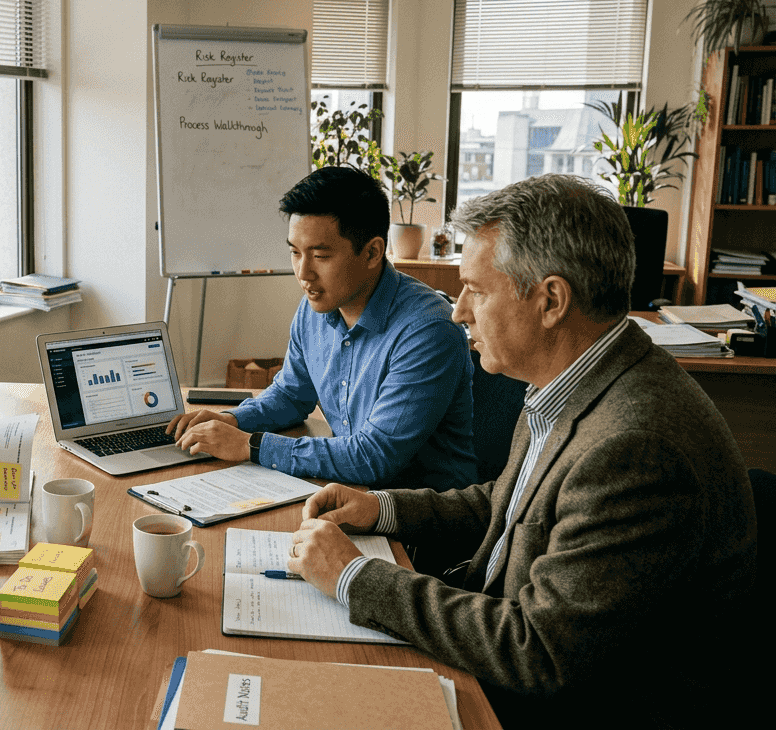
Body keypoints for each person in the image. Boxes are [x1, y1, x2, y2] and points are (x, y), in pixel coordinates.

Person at [287, 174, 757, 728]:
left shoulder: (636, 447)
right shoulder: (570, 382)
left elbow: (536, 650)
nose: (459, 311)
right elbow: (515, 503)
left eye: (476, 291)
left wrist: (353, 577)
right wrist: (383, 507)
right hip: (511, 659)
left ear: (551, 300)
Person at [167, 167, 475, 490]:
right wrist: (233, 420)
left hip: (414, 522)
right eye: (295, 253)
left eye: (320, 256)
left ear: (372, 252)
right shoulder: (316, 308)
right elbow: (291, 395)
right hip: (353, 496)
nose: (304, 273)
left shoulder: (428, 331)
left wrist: (249, 445)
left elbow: (374, 456)